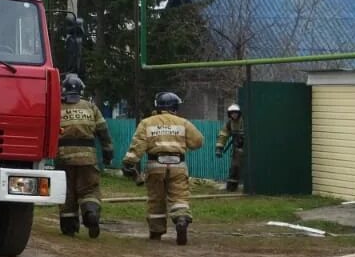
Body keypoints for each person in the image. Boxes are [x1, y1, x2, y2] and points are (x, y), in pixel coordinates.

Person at [123, 91, 204, 245]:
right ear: (175, 106)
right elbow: (198, 142)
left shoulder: (147, 123)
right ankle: (181, 219)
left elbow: (138, 145)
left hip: (155, 166)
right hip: (178, 166)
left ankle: (156, 232)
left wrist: (129, 162)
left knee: (156, 199)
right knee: (180, 197)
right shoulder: (183, 123)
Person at [55, 73, 112, 238]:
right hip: (88, 158)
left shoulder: (57, 107)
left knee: (67, 193)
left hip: (63, 158)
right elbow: (103, 131)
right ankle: (91, 213)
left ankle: (69, 227)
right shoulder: (90, 107)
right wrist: (108, 151)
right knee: (90, 190)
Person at [215, 103, 245, 192]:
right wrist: (219, 148)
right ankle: (231, 188)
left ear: (239, 113)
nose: (234, 114)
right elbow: (223, 135)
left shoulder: (244, 121)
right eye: (232, 113)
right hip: (237, 149)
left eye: (235, 113)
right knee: (235, 167)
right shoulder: (229, 123)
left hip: (249, 148)